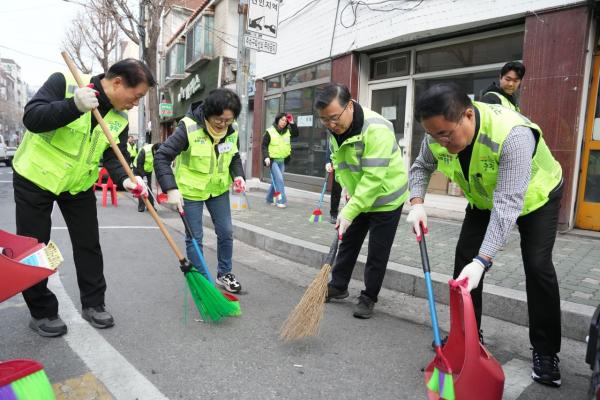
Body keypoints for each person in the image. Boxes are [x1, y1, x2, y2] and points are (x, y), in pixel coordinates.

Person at [407, 83, 563, 387]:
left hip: (536, 197)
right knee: (463, 264)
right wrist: (417, 203)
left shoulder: (512, 134)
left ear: (467, 115)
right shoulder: (435, 136)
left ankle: (546, 351)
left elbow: (507, 206)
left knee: (537, 266)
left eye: (447, 134)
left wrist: (484, 260)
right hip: (483, 199)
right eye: (433, 135)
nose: (442, 143)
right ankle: (467, 336)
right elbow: (420, 167)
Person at [12, 58, 154, 337]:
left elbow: (115, 156)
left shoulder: (119, 118)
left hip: (77, 185)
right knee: (35, 247)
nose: (135, 104)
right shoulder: (65, 84)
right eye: (136, 96)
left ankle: (94, 304)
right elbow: (32, 118)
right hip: (36, 177)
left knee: (88, 244)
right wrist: (73, 106)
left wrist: (127, 179)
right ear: (117, 83)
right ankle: (42, 312)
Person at [316, 83, 409, 319]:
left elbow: (374, 178)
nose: (331, 125)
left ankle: (369, 297)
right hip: (359, 195)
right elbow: (343, 163)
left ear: (349, 106)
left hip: (387, 197)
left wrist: (349, 210)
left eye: (334, 118)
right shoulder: (334, 130)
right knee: (348, 241)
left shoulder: (376, 129)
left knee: (378, 250)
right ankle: (338, 285)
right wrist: (348, 192)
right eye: (325, 120)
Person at [154, 88, 245, 293]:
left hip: (218, 190)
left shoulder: (232, 129)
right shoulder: (188, 127)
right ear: (207, 113)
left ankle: (224, 274)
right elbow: (161, 156)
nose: (222, 124)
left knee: (226, 232)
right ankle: (204, 283)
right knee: (195, 238)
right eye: (218, 120)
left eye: (228, 120)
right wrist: (171, 188)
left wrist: (238, 175)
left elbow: (234, 156)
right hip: (190, 191)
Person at [261, 112, 298, 208]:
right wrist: (266, 157)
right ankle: (281, 200)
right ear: (278, 120)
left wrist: (292, 122)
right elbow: (264, 146)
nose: (284, 122)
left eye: (286, 121)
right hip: (273, 161)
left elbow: (296, 134)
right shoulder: (270, 131)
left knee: (277, 180)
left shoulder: (288, 131)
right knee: (280, 179)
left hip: (283, 161)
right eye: (282, 120)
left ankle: (269, 198)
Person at [134, 142, 161, 212]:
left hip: (148, 170)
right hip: (138, 169)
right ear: (155, 150)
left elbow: (158, 165)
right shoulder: (145, 151)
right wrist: (143, 176)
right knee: (141, 187)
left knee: (149, 188)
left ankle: (150, 207)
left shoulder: (159, 152)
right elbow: (139, 163)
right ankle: (141, 206)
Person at [324, 135, 342, 224]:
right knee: (336, 191)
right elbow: (330, 148)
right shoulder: (333, 136)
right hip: (338, 167)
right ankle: (334, 214)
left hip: (351, 168)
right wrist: (328, 162)